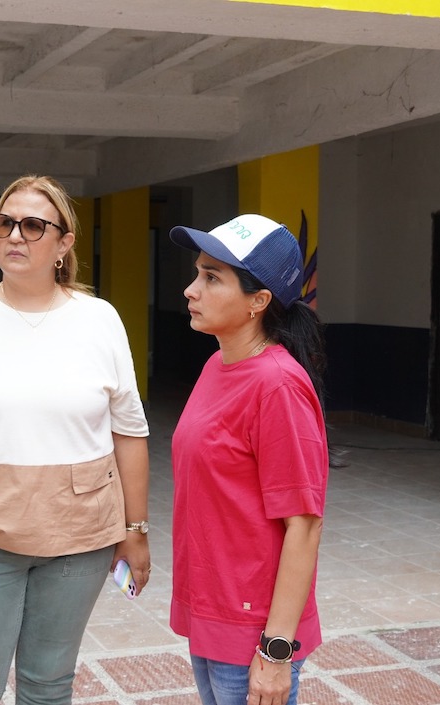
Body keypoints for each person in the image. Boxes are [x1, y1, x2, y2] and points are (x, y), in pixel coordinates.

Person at [0, 175, 151, 705]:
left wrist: (135, 530)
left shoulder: (99, 319)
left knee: (48, 685)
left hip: (81, 537)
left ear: (64, 244)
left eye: (33, 225)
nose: (15, 235)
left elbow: (128, 431)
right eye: (5, 223)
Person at [167, 213, 328, 705]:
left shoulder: (277, 385)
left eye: (212, 278)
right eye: (197, 273)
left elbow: (303, 524)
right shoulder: (218, 364)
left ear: (259, 302)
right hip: (212, 611)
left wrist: (277, 652)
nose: (192, 290)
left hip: (254, 631)